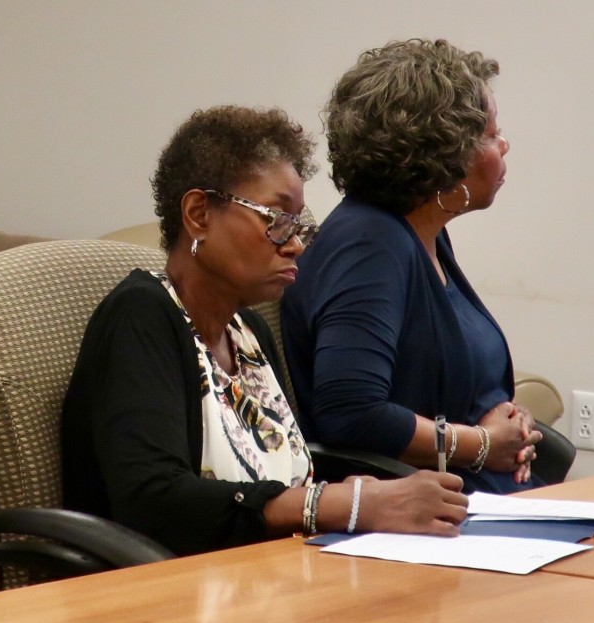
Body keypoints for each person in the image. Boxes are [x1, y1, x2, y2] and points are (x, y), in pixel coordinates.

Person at [61, 106, 469, 557]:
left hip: (273, 578)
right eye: (275, 220)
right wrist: (341, 504)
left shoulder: (248, 330)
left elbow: (285, 478)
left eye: (299, 226)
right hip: (169, 596)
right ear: (198, 214)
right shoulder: (141, 316)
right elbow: (154, 502)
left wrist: (360, 492)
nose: (294, 244)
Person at [280, 39, 542, 495]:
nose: (504, 145)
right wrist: (481, 444)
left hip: (482, 500)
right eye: (489, 135)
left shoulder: (425, 233)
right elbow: (351, 412)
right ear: (445, 154)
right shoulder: (367, 245)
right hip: (420, 517)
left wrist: (513, 429)